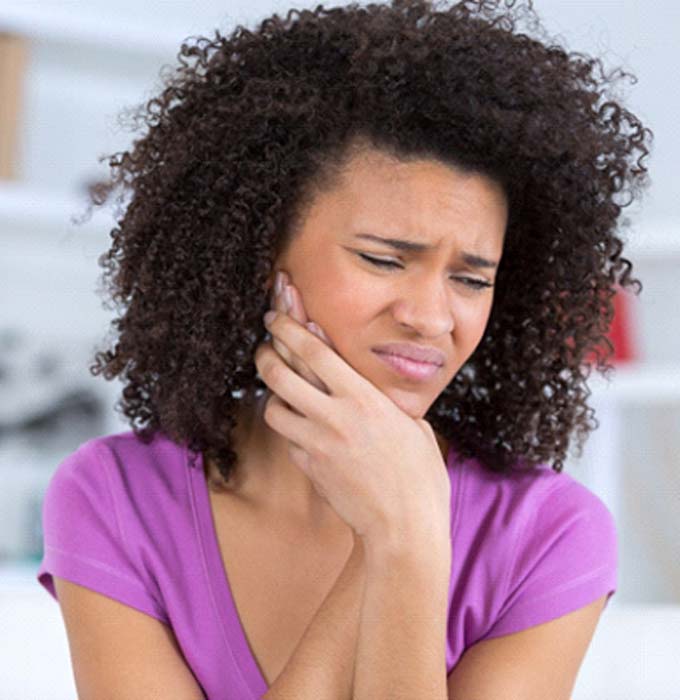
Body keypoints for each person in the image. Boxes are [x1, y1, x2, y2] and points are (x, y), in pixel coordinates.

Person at [36, 0, 652, 698]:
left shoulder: (548, 534)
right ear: (261, 256)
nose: (430, 318)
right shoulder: (117, 500)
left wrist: (408, 542)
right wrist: (392, 532)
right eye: (384, 260)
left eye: (471, 278)